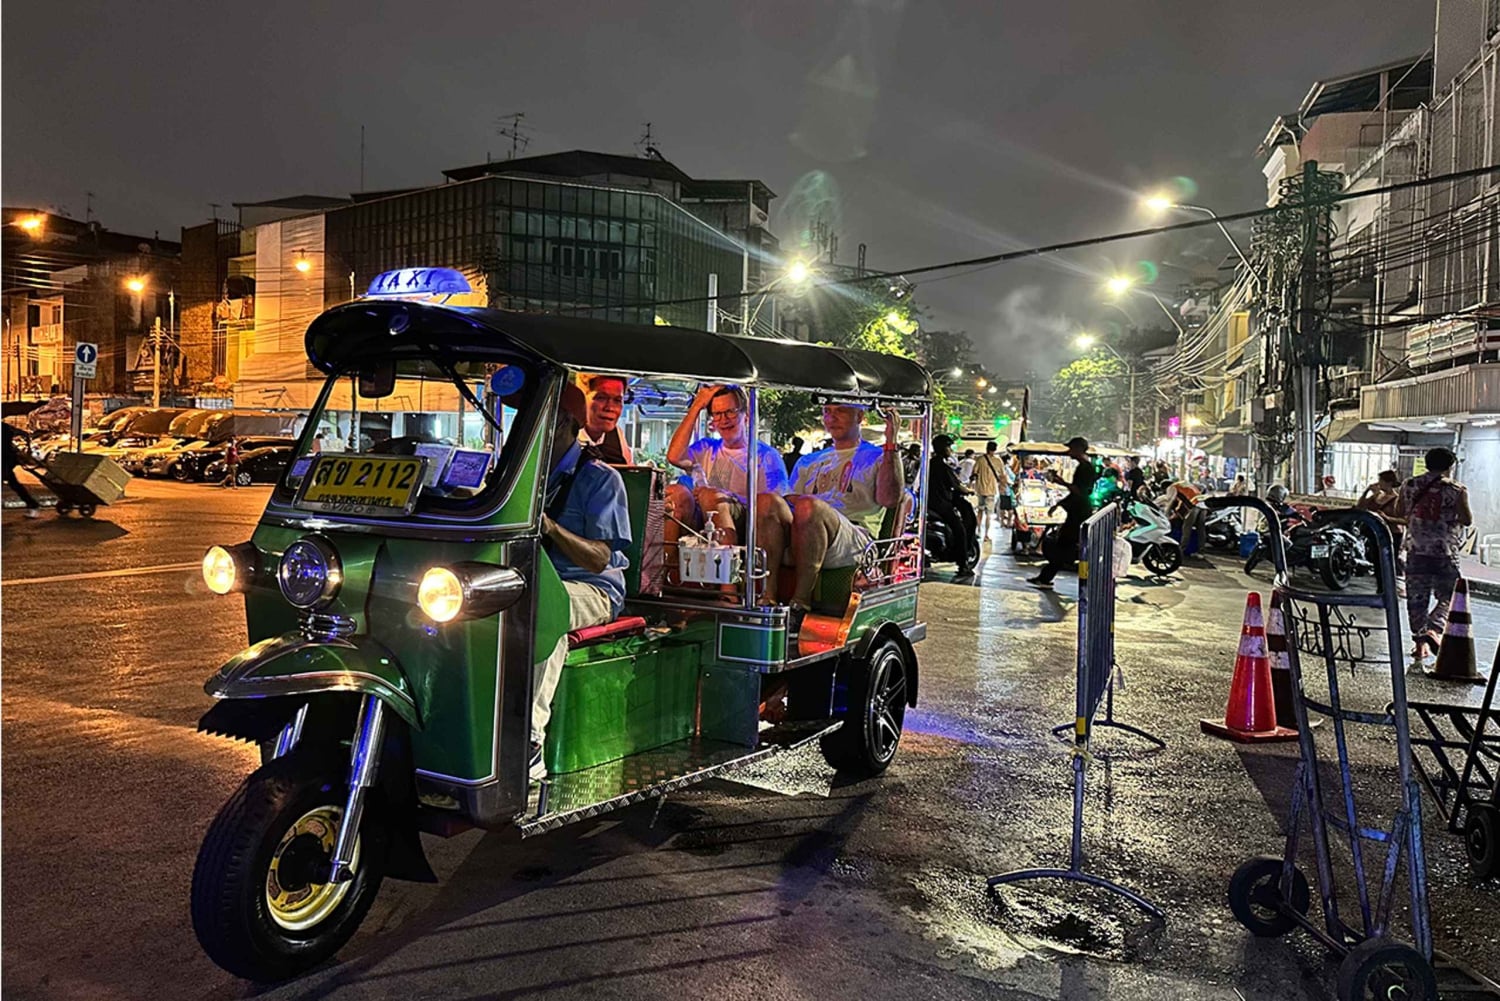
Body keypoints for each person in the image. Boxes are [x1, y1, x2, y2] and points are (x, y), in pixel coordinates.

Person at [531, 406, 633, 779]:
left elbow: (599, 559)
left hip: (593, 588)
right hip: (535, 579)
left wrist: (551, 529)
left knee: (544, 608)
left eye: (549, 420)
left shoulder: (600, 478)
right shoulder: (526, 473)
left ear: (571, 425)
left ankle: (530, 741)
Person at [759, 404, 904, 641]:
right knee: (766, 501)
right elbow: (788, 499)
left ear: (860, 416)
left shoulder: (877, 457)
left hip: (855, 538)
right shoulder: (809, 461)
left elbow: (890, 499)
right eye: (827, 411)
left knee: (809, 507)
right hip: (807, 528)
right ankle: (768, 599)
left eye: (840, 410)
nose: (832, 417)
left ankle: (800, 604)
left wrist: (891, 444)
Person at [665, 384, 789, 583]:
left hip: (749, 525)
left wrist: (723, 497)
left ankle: (728, 590)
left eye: (730, 412)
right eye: (717, 414)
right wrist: (697, 406)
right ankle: (667, 579)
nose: (724, 420)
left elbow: (775, 503)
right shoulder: (707, 448)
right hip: (705, 523)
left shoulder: (766, 456)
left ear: (745, 415)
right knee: (675, 493)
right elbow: (674, 456)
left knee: (712, 496)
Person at [1397, 448, 1472, 663]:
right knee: (1450, 595)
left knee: (1416, 598)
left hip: (1416, 549)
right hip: (1444, 551)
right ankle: (1434, 627)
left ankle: (1420, 646)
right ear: (1451, 466)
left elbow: (1400, 509)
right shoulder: (1457, 489)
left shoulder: (1409, 484)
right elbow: (1467, 519)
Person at [1028, 436, 1096, 589]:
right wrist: (1059, 504)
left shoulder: (1085, 468)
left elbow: (1080, 491)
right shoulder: (1083, 467)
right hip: (1076, 511)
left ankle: (1047, 577)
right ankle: (1046, 577)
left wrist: (1061, 482)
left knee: (1064, 545)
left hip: (1079, 513)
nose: (1068, 451)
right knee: (1063, 545)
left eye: (1071, 448)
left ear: (1078, 449)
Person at [927, 434, 978, 568]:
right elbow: (956, 485)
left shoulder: (931, 463)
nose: (950, 449)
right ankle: (962, 563)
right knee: (959, 529)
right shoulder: (943, 466)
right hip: (942, 505)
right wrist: (968, 491)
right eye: (949, 446)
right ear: (943, 448)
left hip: (931, 503)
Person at [578, 374, 633, 465]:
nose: (610, 408)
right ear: (582, 397)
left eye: (617, 400)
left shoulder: (618, 435)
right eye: (601, 398)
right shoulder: (564, 435)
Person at [3, 422, 42, 518]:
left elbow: (24, 434)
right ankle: (33, 505)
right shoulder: (6, 427)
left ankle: (33, 505)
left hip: (5, 460)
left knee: (13, 483)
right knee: (14, 484)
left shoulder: (4, 428)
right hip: (7, 460)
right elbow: (24, 434)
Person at [973, 440, 1010, 537]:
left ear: (987, 448)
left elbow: (974, 473)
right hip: (991, 490)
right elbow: (1003, 475)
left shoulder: (980, 459)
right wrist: (1005, 486)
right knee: (989, 514)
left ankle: (978, 531)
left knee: (980, 511)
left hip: (980, 489)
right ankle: (987, 534)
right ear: (995, 449)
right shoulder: (998, 461)